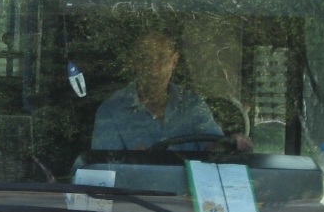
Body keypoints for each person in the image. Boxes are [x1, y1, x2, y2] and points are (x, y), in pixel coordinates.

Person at [92, 32, 251, 151]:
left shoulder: (192, 105)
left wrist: (233, 144)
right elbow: (104, 171)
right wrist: (131, 164)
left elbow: (213, 149)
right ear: (133, 63)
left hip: (189, 194)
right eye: (145, 58)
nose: (154, 68)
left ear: (174, 62)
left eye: (161, 58)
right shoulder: (112, 111)